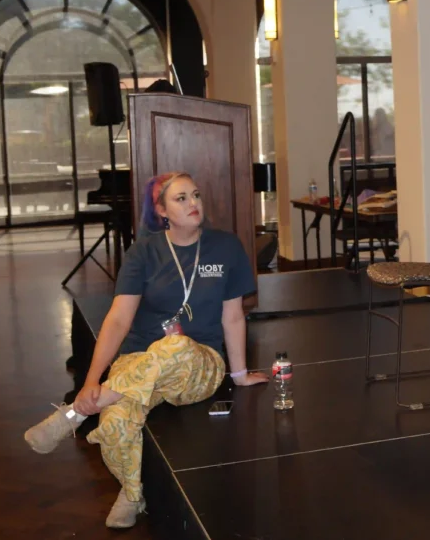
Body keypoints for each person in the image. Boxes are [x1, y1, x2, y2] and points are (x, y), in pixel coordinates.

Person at [24, 172, 267, 528]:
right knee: (118, 418)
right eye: (181, 198)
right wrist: (91, 381)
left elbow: (233, 317)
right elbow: (119, 320)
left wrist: (240, 374)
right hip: (140, 361)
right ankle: (131, 493)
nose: (193, 203)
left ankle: (73, 415)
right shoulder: (142, 253)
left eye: (196, 195)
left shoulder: (226, 247)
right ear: (161, 210)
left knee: (177, 346)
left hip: (199, 364)